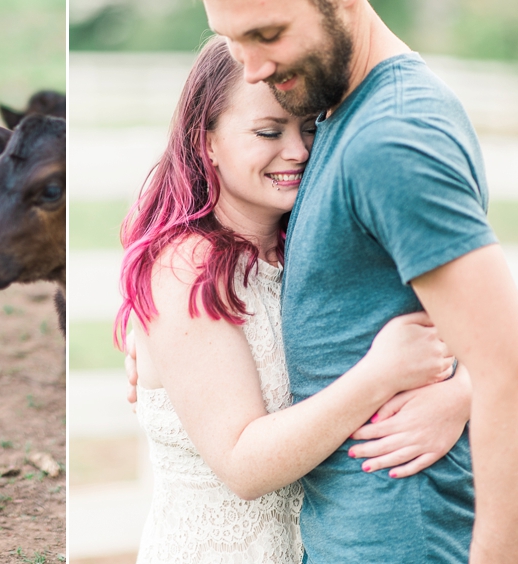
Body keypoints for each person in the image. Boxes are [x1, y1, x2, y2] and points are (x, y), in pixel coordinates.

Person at [128, 0, 518, 562]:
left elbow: (498, 351)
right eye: (234, 40)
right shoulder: (336, 110)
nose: (255, 69)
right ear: (205, 141)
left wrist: (464, 389)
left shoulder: (385, 137)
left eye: (268, 34)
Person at [118, 35, 467, 564]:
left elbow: (465, 331)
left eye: (310, 128)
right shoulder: (186, 268)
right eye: (267, 132)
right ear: (205, 139)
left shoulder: (302, 251)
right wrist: (380, 374)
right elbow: (244, 465)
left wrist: (461, 392)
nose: (299, 151)